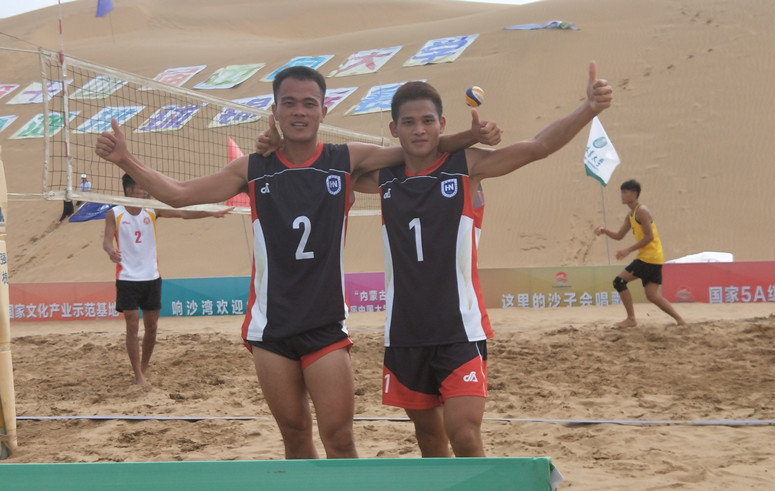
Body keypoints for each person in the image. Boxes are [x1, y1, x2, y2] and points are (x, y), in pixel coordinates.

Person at [95, 65, 500, 459]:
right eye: (289, 103)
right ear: (275, 110)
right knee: (294, 437)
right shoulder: (253, 167)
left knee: (339, 439)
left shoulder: (345, 159)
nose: (299, 111)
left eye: (309, 103)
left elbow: (418, 147)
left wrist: (470, 136)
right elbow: (180, 194)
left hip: (325, 326)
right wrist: (126, 160)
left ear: (324, 110)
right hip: (271, 327)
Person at [351, 61, 613, 458]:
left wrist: (588, 109)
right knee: (429, 440)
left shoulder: (466, 166)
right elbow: (343, 169)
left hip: (460, 328)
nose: (419, 130)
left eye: (428, 121)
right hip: (405, 332)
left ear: (441, 123)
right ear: (393, 129)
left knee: (464, 433)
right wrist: (456, 138)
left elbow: (538, 147)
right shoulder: (384, 178)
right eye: (408, 123)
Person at [103, 173, 230, 386]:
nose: (145, 191)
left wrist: (209, 211)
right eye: (141, 187)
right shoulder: (114, 213)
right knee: (132, 325)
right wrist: (111, 251)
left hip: (151, 277)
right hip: (126, 277)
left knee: (152, 327)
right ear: (129, 190)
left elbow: (183, 213)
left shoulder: (152, 209)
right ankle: (138, 375)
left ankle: (144, 368)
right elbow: (107, 241)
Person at [594, 179, 686, 327]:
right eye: (621, 192)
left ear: (634, 194)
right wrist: (605, 231)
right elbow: (619, 235)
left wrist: (628, 250)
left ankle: (631, 319)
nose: (622, 196)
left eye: (625, 192)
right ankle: (680, 320)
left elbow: (650, 237)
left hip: (649, 257)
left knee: (619, 281)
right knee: (652, 295)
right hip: (653, 258)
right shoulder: (631, 215)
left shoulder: (642, 211)